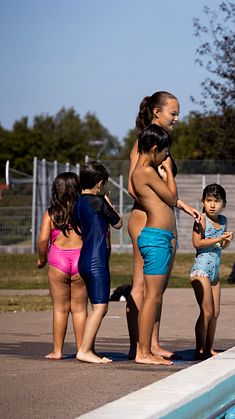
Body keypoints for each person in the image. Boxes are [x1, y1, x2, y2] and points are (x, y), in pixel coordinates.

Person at [126, 91, 201, 361]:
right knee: (141, 287)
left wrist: (180, 205)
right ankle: (139, 346)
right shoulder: (144, 144)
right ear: (157, 112)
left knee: (156, 289)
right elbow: (133, 187)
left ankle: (152, 343)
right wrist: (158, 204)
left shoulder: (161, 144)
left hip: (160, 220)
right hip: (145, 219)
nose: (177, 118)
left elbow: (166, 191)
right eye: (173, 112)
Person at [130, 124, 178, 366]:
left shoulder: (143, 171)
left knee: (153, 297)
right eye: (165, 153)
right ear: (156, 148)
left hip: (159, 238)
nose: (166, 157)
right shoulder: (146, 172)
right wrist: (168, 172)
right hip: (156, 238)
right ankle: (143, 351)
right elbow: (171, 197)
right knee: (152, 298)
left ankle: (145, 349)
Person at [73, 162, 123, 363]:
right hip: (97, 260)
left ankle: (87, 348)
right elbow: (118, 222)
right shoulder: (98, 202)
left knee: (95, 307)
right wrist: (109, 204)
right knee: (100, 307)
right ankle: (84, 350)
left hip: (84, 259)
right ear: (100, 183)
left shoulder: (78, 203)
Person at [36, 172, 87, 359]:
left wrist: (42, 259)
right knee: (80, 308)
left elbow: (42, 240)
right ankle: (83, 349)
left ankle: (57, 351)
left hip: (58, 261)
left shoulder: (51, 214)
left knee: (60, 308)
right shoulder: (83, 212)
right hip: (81, 259)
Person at [190, 184, 233, 360]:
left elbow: (220, 246)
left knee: (215, 313)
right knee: (206, 311)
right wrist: (218, 238)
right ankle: (199, 349)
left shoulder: (223, 221)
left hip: (214, 272)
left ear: (224, 203)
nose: (212, 205)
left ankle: (209, 348)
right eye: (209, 201)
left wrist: (226, 241)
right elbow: (197, 243)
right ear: (203, 201)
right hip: (201, 271)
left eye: (217, 201)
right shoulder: (200, 219)